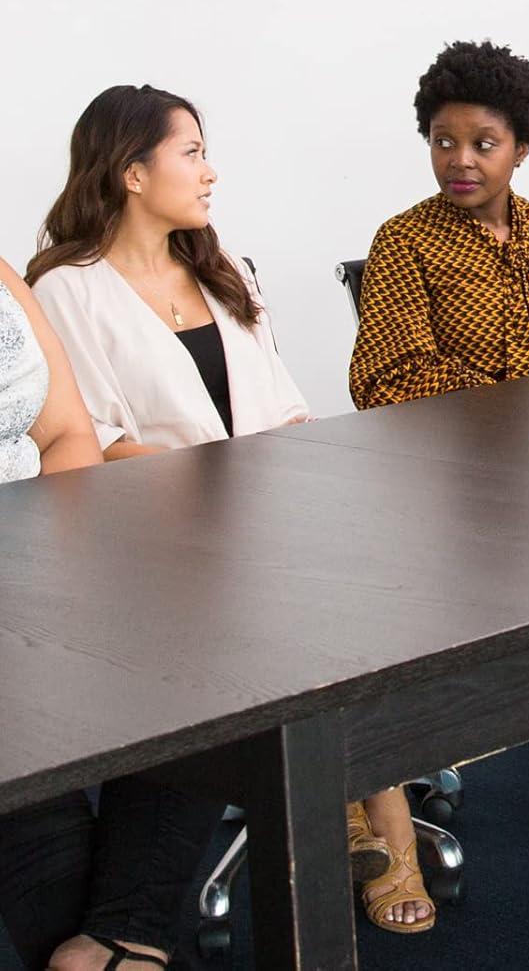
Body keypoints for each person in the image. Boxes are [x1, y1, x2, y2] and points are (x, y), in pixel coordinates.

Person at [25, 85, 432, 936]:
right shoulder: (66, 290)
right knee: (313, 607)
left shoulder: (224, 270)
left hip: (262, 519)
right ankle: (370, 815)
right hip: (150, 548)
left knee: (366, 582)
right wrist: (239, 482)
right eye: (193, 153)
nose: (211, 172)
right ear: (132, 172)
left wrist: (296, 475)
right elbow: (89, 447)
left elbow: (284, 407)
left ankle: (358, 802)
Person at [0, 253, 217, 971]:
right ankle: (130, 943)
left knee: (204, 643)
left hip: (37, 550)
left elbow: (67, 432)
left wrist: (47, 566)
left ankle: (118, 941)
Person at [349, 39, 529, 411]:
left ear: (520, 149)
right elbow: (385, 382)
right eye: (443, 142)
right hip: (470, 439)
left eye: (483, 145)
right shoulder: (405, 242)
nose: (460, 160)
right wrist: (517, 403)